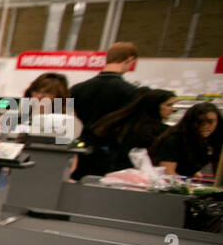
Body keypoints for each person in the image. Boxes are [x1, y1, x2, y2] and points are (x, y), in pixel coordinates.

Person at [71, 41, 138, 178]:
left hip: (78, 149)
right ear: (130, 59)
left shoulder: (77, 88)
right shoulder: (131, 92)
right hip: (109, 154)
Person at [87, 88, 176, 174]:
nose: (173, 109)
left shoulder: (123, 125)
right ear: (155, 106)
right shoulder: (161, 131)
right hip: (142, 176)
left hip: (113, 172)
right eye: (168, 105)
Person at [153, 103, 220, 179]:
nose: (205, 126)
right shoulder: (174, 139)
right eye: (200, 122)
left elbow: (219, 171)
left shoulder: (214, 139)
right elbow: (168, 173)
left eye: (211, 122)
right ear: (190, 122)